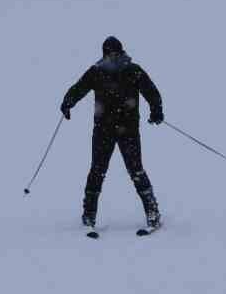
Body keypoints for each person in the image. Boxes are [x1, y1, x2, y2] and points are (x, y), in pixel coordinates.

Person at [61, 36, 163, 232]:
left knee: (136, 170)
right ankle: (88, 215)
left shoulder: (133, 70)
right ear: (105, 54)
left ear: (122, 52)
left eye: (115, 53)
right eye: (109, 54)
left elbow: (152, 91)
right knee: (97, 171)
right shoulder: (96, 72)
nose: (113, 57)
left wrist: (156, 110)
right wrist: (68, 103)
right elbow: (79, 88)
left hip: (128, 130)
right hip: (103, 130)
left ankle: (153, 213)